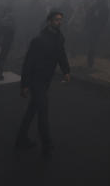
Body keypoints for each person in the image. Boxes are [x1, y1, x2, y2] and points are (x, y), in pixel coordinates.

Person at [15, 10, 71, 156]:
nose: (59, 22)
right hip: (36, 80)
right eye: (57, 19)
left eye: (61, 20)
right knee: (43, 110)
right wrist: (25, 84)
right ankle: (47, 143)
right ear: (49, 21)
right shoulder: (39, 40)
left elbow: (61, 55)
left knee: (32, 110)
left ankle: (21, 139)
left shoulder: (59, 38)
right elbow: (28, 63)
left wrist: (66, 71)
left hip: (46, 79)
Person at [85, 0, 109, 68]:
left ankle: (91, 61)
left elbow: (105, 18)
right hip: (94, 28)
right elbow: (89, 16)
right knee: (92, 45)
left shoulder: (104, 7)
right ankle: (90, 62)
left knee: (94, 45)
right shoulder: (94, 7)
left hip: (98, 28)